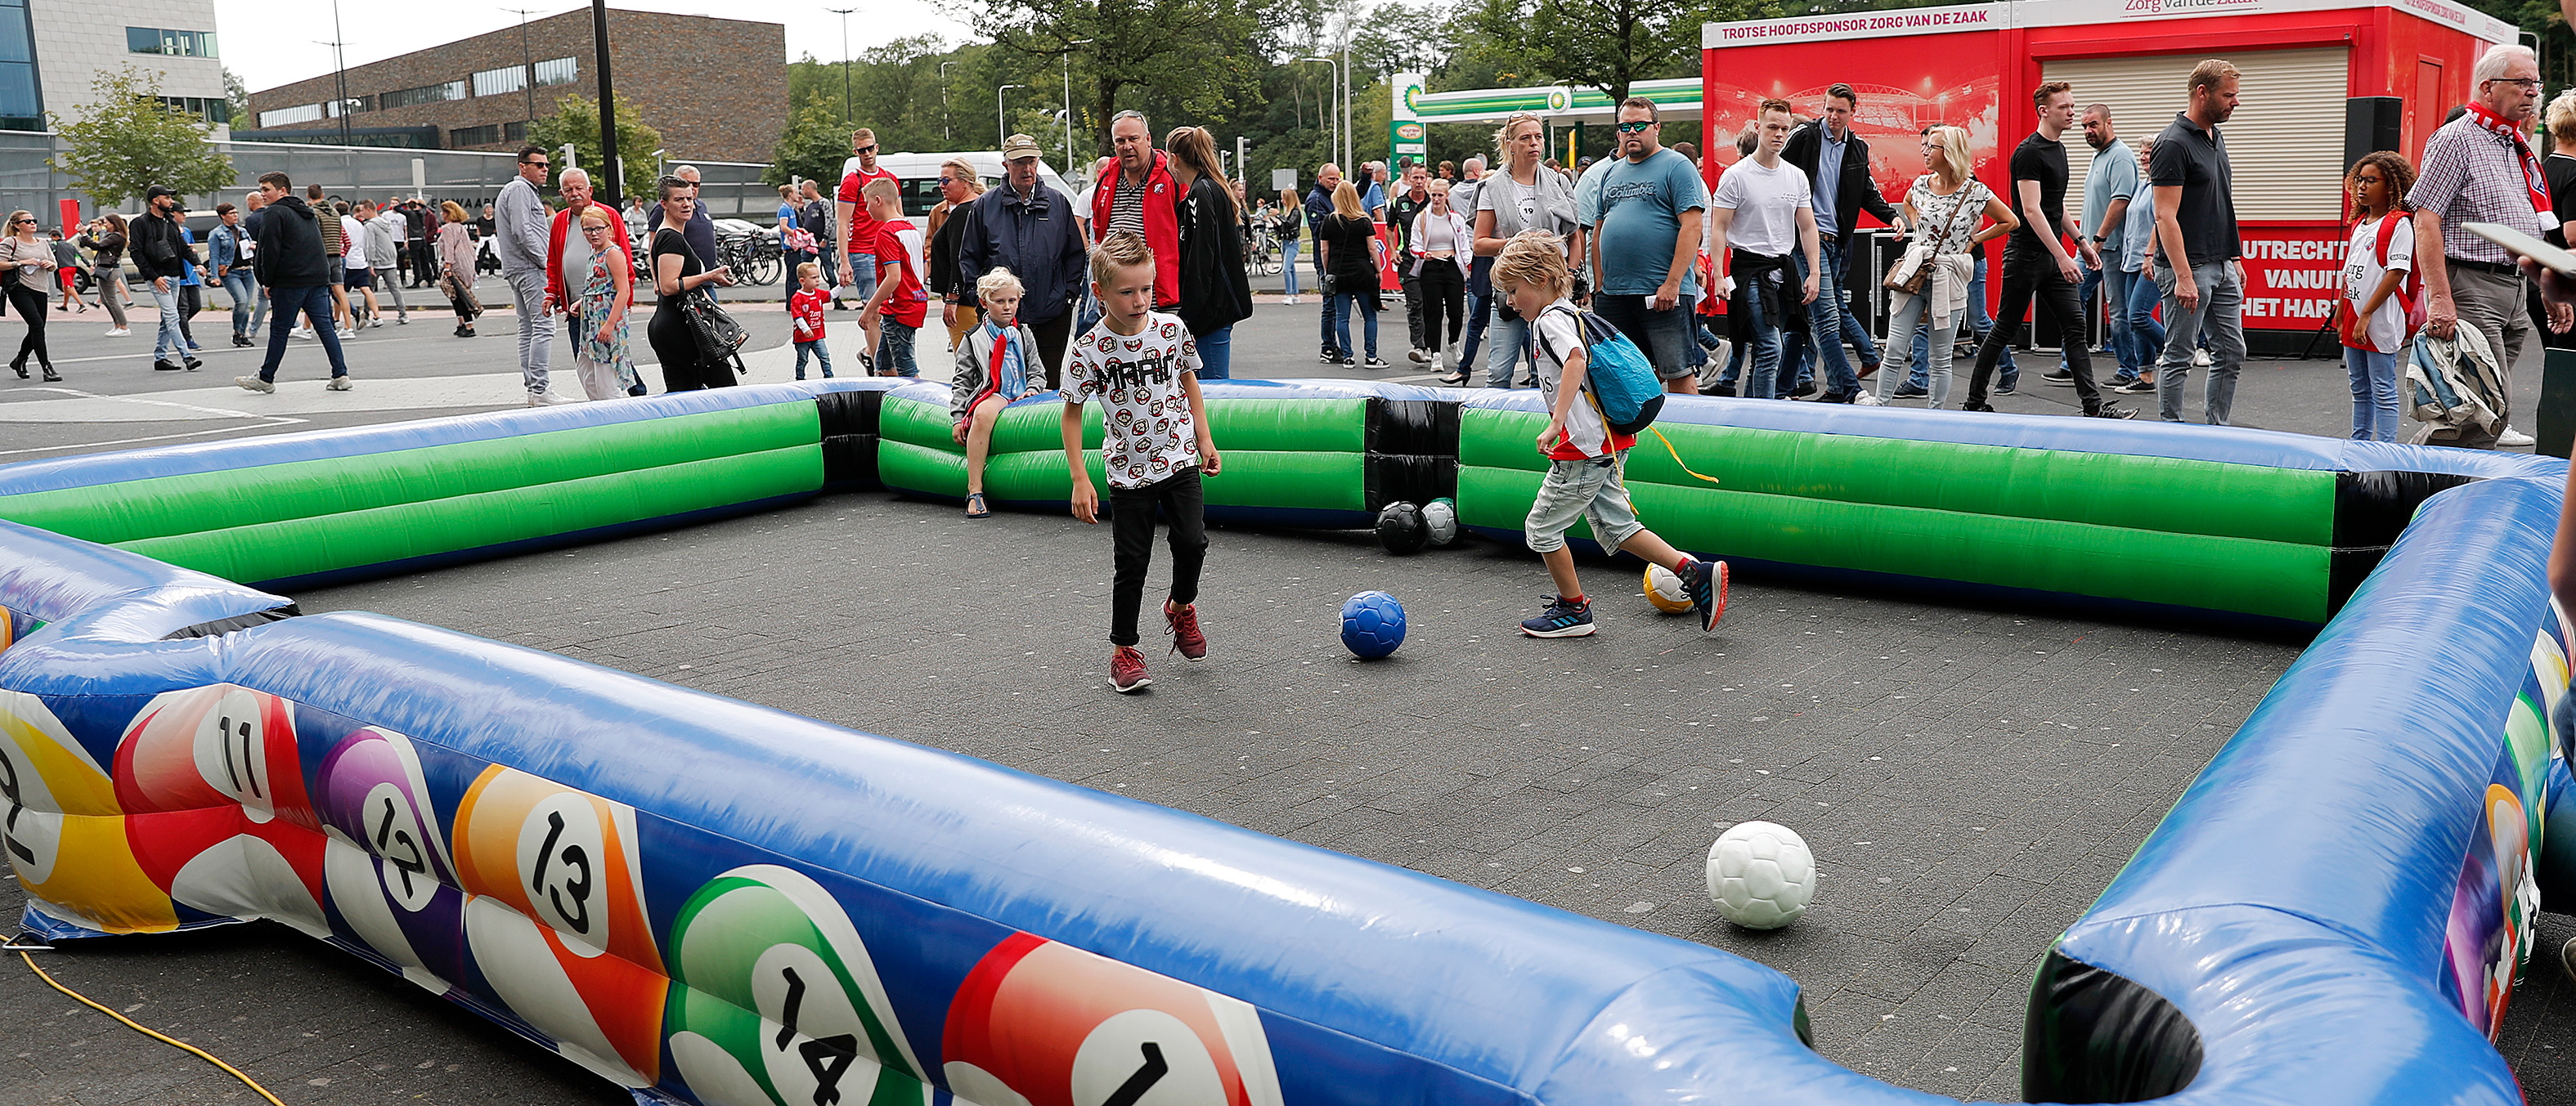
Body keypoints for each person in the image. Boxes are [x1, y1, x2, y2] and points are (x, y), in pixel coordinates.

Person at [1492, 229, 1725, 639]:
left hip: (1582, 449)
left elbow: (1575, 359)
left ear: (1541, 280)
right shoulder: (1571, 312)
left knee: (1541, 529)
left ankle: (1573, 609)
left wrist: (1557, 422)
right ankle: (1694, 572)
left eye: (1513, 290)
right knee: (1617, 527)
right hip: (1606, 445)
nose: (1509, 301)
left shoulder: (1550, 320)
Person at [1058, 231, 1222, 694]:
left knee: (1192, 542)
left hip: (1179, 458)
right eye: (1127, 291)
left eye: (1146, 288)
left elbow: (1189, 383)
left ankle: (1181, 606)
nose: (1139, 300)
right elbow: (1071, 415)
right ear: (1099, 292)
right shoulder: (1089, 349)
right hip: (1128, 473)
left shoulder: (1171, 331)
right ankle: (1124, 651)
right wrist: (1079, 477)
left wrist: (1205, 438)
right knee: (1132, 562)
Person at [2412, 45, 2566, 448]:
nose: (2533, 91)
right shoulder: (2456, 139)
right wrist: (2439, 298)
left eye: (2536, 83)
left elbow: (2528, 223)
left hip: (2514, 288)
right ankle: (2426, 482)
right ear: (2487, 87)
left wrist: (2546, 285)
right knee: (2484, 412)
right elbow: (2426, 220)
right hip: (2472, 286)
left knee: (2471, 412)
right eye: (2522, 82)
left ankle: (2415, 476)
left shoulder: (2514, 142)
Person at [1963, 83, 2134, 419]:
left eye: (2072, 106)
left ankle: (2093, 407)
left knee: (2075, 328)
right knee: (2004, 328)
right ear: (2044, 111)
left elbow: (2055, 205)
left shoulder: (2059, 149)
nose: (2072, 113)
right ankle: (1974, 402)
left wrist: (2081, 242)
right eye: (2064, 107)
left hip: (2052, 256)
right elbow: (2031, 210)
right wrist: (2062, 256)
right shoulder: (2029, 152)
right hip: (2025, 256)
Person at [1780, 83, 1904, 400]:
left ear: (1852, 113)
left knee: (1821, 315)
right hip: (1807, 238)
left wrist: (1891, 216)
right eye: (1829, 109)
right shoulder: (1805, 137)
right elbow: (1777, 174)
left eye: (1840, 111)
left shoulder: (1857, 147)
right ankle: (1850, 389)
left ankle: (1820, 386)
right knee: (1827, 317)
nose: (1833, 116)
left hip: (1838, 242)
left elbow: (1866, 191)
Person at [1874, 127, 2012, 409]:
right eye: (1925, 146)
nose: (1924, 152)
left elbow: (2009, 221)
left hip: (1948, 277)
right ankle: (1879, 409)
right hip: (1915, 271)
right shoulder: (1921, 184)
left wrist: (1974, 240)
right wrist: (1916, 226)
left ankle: (1935, 416)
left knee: (1940, 357)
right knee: (1894, 349)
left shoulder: (1975, 191)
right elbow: (1908, 203)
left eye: (1931, 147)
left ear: (1949, 152)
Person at [1586, 96, 1709, 396]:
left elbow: (1692, 228)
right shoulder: (1611, 173)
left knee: (1678, 373)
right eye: (1625, 126)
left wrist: (1672, 284)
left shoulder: (1677, 166)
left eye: (1640, 125)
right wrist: (1599, 285)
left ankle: (1685, 427)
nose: (1632, 132)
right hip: (1615, 296)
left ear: (1657, 127)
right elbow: (1599, 231)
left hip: (1662, 295)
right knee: (1624, 378)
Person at [954, 134, 1090, 390]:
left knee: (1048, 387)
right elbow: (969, 258)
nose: (1027, 169)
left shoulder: (1057, 203)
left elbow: (1074, 254)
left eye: (1031, 161)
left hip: (1051, 317)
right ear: (1006, 165)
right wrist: (980, 300)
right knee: (1003, 387)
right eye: (1019, 162)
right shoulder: (985, 206)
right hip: (1001, 319)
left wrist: (1068, 297)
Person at [1710, 100, 1822, 401]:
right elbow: (1718, 227)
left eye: (1785, 128)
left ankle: (1752, 415)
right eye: (1773, 127)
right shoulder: (1736, 175)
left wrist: (1814, 272)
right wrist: (1718, 275)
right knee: (1771, 347)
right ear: (1757, 127)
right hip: (1748, 271)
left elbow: (1807, 227)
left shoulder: (1795, 176)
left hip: (1784, 269)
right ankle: (1764, 417)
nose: (1779, 134)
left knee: (1775, 346)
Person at [1474, 114, 1579, 388]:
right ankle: (1492, 417)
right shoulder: (1493, 186)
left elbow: (1574, 236)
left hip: (1552, 289)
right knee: (1499, 372)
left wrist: (1571, 273)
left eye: (1538, 136)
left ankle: (1548, 417)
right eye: (1525, 138)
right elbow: (1479, 243)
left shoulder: (1559, 182)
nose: (1534, 143)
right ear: (1510, 144)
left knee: (1546, 374)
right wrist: (1521, 245)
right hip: (1512, 289)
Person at [236, 171, 352, 393]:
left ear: (282, 190)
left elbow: (270, 250)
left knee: (279, 330)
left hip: (290, 280)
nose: (263, 194)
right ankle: (340, 374)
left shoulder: (275, 213)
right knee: (325, 327)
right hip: (317, 278)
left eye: (266, 189)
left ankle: (266, 378)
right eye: (261, 190)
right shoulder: (306, 212)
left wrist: (267, 280)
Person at [953, 266, 1043, 519]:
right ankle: (975, 490)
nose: (1007, 307)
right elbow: (962, 381)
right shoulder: (974, 338)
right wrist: (958, 418)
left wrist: (1032, 389)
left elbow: (1037, 372)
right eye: (999, 301)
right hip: (995, 392)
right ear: (984, 303)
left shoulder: (1024, 333)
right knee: (983, 414)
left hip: (1023, 391)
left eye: (1012, 301)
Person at [1165, 125, 1254, 380]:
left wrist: (1189, 319)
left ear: (1174, 159)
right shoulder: (1210, 188)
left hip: (1211, 311)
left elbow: (1201, 259)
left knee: (1214, 389)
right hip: (1214, 308)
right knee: (1208, 386)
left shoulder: (1200, 193)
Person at [2340, 152, 2417, 443]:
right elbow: (2349, 274)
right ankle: (2359, 443)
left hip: (2379, 318)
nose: (2362, 186)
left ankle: (2385, 449)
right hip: (2354, 316)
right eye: (2359, 179)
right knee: (2359, 388)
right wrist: (2341, 313)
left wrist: (2367, 314)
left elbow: (2396, 273)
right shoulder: (2359, 223)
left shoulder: (2399, 224)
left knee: (2382, 388)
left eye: (2371, 180)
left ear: (2391, 186)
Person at [2065, 104, 2138, 388]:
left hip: (2111, 247)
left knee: (2118, 310)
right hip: (2090, 246)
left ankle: (2130, 370)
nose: (2088, 131)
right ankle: (2071, 364)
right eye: (2084, 126)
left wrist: (2098, 240)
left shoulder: (2120, 156)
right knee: (2072, 299)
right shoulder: (2099, 156)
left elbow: (2120, 201)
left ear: (2109, 122)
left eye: (2093, 124)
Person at [646, 176, 738, 392]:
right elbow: (668, 286)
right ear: (664, 204)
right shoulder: (671, 238)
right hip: (680, 327)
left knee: (687, 395)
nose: (687, 204)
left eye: (689, 198)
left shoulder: (669, 235)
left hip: (675, 325)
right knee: (726, 392)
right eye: (679, 199)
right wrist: (709, 276)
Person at [496, 146, 570, 403]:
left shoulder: (516, 190)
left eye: (547, 165)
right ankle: (540, 389)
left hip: (519, 267)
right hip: (529, 267)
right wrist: (546, 263)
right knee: (543, 326)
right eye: (539, 165)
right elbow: (522, 230)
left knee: (528, 328)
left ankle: (534, 389)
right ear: (523, 166)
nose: (545, 169)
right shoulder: (520, 190)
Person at [1092, 111, 1183, 311]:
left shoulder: (1172, 176)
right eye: (1120, 141)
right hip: (1116, 304)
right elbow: (1099, 234)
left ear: (1148, 139)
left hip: (1163, 300)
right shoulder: (1106, 177)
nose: (1127, 146)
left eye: (1133, 139)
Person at [543, 168, 629, 346]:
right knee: (582, 359)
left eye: (579, 188)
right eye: (569, 190)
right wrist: (552, 293)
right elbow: (553, 261)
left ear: (589, 190)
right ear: (562, 194)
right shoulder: (560, 220)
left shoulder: (608, 215)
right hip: (575, 308)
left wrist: (624, 305)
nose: (574, 193)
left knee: (610, 359)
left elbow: (625, 262)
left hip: (606, 308)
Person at [564, 206, 640, 401]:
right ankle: (599, 407)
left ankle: (613, 410)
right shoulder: (595, 252)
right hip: (592, 318)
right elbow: (600, 285)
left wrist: (610, 324)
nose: (594, 233)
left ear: (608, 228)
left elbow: (623, 290)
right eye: (588, 230)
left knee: (606, 372)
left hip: (607, 317)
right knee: (586, 368)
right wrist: (583, 301)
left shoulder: (612, 253)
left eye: (599, 228)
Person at [857, 177, 928, 378]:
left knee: (906, 368)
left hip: (899, 307)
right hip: (914, 302)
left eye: (867, 204)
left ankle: (916, 397)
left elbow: (894, 277)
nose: (867, 209)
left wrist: (869, 309)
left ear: (878, 201)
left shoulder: (886, 233)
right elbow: (924, 267)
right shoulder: (911, 229)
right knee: (883, 364)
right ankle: (886, 388)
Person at [2115, 137, 2166, 396]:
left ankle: (2176, 349)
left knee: (2138, 315)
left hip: (2152, 261)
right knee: (2133, 320)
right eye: (2142, 153)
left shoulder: (2162, 185)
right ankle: (2145, 377)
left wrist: (2150, 255)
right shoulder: (2143, 184)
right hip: (2132, 260)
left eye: (2149, 152)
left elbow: (2162, 221)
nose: (2144, 157)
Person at [1317, 180, 1386, 368]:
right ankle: (1371, 357)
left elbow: (1324, 250)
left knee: (1342, 317)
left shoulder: (1329, 221)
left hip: (1339, 273)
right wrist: (1378, 270)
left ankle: (1348, 356)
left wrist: (1328, 270)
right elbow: (1372, 249)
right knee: (1369, 316)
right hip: (1363, 272)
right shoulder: (1364, 221)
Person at [128, 186, 194, 372]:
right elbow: (136, 253)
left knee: (167, 318)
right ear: (156, 201)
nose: (171, 201)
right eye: (167, 197)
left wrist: (197, 263)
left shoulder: (170, 221)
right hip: (159, 278)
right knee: (173, 316)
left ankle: (160, 358)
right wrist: (154, 277)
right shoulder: (140, 223)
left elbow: (183, 247)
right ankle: (187, 356)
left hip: (175, 275)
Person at [837, 129, 898, 326]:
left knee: (892, 306)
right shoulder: (852, 181)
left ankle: (880, 345)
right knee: (873, 309)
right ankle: (876, 347)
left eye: (870, 148)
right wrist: (844, 262)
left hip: (888, 248)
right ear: (856, 152)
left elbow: (899, 216)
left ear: (877, 148)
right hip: (863, 252)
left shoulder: (889, 178)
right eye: (862, 150)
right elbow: (843, 223)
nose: (867, 154)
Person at [1411, 179, 1470, 376]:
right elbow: (1414, 244)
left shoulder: (1456, 219)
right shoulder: (1422, 218)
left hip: (1452, 265)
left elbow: (1463, 245)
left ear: (1447, 196)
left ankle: (1453, 343)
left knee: (1456, 312)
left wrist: (1468, 265)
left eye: (1440, 195)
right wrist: (1423, 254)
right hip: (1431, 267)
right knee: (1433, 312)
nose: (1436, 199)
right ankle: (1435, 353)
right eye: (1433, 195)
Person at [927, 158, 986, 349]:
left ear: (965, 182)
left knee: (967, 357)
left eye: (946, 180)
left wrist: (952, 299)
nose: (941, 186)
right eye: (939, 181)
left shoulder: (962, 213)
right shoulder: (981, 206)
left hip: (964, 301)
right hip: (977, 296)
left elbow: (958, 260)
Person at [2537, 90, 2576, 350]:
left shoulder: (2539, 169)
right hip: (2567, 279)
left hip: (2540, 277)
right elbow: (2573, 236)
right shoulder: (2574, 173)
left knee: (2556, 356)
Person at [1, 210, 60, 381]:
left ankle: (20, 360)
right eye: (27, 221)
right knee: (37, 325)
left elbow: (54, 264)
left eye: (34, 220)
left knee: (37, 328)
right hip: (19, 289)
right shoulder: (10, 242)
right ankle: (47, 368)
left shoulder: (43, 242)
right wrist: (21, 262)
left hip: (41, 289)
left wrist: (49, 264)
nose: (33, 223)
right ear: (16, 225)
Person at [1389, 162, 1434, 361]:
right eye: (1415, 177)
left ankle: (1432, 346)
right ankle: (1419, 346)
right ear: (1409, 179)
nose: (1419, 181)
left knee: (1430, 304)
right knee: (1415, 302)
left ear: (1427, 180)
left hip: (1430, 260)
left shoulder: (1434, 202)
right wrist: (1392, 251)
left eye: (1422, 178)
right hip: (1408, 260)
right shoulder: (1399, 203)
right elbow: (1389, 229)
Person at [1306, 163, 1344, 358]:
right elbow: (1319, 230)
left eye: (1337, 179)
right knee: (1330, 304)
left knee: (1337, 304)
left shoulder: (1333, 197)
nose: (1335, 182)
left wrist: (1364, 177)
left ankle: (1333, 344)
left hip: (1337, 257)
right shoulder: (1316, 199)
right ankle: (1328, 346)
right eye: (1331, 179)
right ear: (1320, 178)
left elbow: (1357, 195)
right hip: (1325, 258)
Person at [304, 184, 350, 337]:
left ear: (308, 196)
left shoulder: (314, 212)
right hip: (337, 254)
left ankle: (307, 328)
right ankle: (348, 327)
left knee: (313, 292)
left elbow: (314, 235)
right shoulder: (335, 212)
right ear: (322, 195)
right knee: (340, 293)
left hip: (322, 256)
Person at [209, 204, 254, 347]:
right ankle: (237, 331)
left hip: (247, 270)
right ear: (223, 216)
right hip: (231, 272)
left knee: (247, 304)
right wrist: (215, 276)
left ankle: (242, 334)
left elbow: (249, 246)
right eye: (231, 213)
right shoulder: (217, 234)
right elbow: (214, 256)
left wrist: (253, 246)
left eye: (236, 213)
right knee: (241, 301)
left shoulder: (242, 231)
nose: (235, 216)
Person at [436, 200, 482, 338]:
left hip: (456, 264)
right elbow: (469, 248)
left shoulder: (448, 228)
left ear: (448, 213)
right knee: (459, 293)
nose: (441, 214)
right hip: (466, 263)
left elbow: (449, 248)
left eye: (443, 211)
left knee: (458, 295)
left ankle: (468, 325)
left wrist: (448, 266)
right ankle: (463, 323)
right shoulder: (461, 227)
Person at [79, 215, 130, 336]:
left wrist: (84, 234)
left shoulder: (116, 236)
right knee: (106, 300)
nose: (104, 225)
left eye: (106, 222)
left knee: (111, 299)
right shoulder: (111, 235)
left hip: (109, 269)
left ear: (114, 223)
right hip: (104, 268)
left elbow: (98, 246)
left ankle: (124, 327)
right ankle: (118, 325)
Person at [365, 199, 410, 325]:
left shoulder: (369, 226)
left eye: (363, 210)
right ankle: (403, 314)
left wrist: (370, 262)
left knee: (369, 290)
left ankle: (367, 315)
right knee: (394, 289)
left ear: (369, 210)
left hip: (378, 261)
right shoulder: (386, 222)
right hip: (390, 260)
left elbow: (371, 245)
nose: (362, 213)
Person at [790, 261, 835, 380]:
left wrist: (842, 286)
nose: (817, 280)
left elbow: (831, 295)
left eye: (818, 277)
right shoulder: (797, 297)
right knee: (803, 359)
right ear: (802, 281)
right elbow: (797, 316)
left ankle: (829, 377)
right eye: (814, 278)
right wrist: (806, 329)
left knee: (824, 356)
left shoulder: (818, 293)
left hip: (818, 335)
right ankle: (800, 379)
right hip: (802, 337)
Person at [340, 201, 380, 329]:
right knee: (366, 289)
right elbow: (365, 242)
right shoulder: (358, 224)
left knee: (340, 292)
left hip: (348, 261)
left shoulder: (340, 223)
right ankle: (377, 316)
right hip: (360, 261)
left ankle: (337, 318)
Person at [801, 180, 840, 307]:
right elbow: (806, 221)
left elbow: (829, 220)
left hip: (820, 242)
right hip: (809, 243)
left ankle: (837, 300)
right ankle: (804, 298)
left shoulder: (824, 203)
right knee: (803, 268)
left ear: (809, 189)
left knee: (829, 270)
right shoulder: (810, 205)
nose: (802, 192)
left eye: (803, 189)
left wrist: (825, 238)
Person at [1274, 186, 1305, 306]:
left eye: (1284, 198)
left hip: (1292, 243)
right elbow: (1285, 226)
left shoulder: (1295, 212)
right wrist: (1277, 225)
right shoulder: (1288, 212)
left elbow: (1290, 224)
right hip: (1286, 242)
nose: (1282, 201)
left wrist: (1278, 216)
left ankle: (1289, 294)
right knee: (1291, 269)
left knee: (1286, 269)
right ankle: (1295, 294)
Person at [50, 224, 87, 316]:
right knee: (65, 287)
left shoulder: (56, 245)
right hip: (73, 267)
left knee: (70, 286)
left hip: (64, 268)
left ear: (56, 237)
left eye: (52, 237)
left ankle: (81, 304)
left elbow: (50, 252)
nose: (52, 239)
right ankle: (64, 305)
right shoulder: (70, 245)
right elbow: (80, 256)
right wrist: (88, 265)